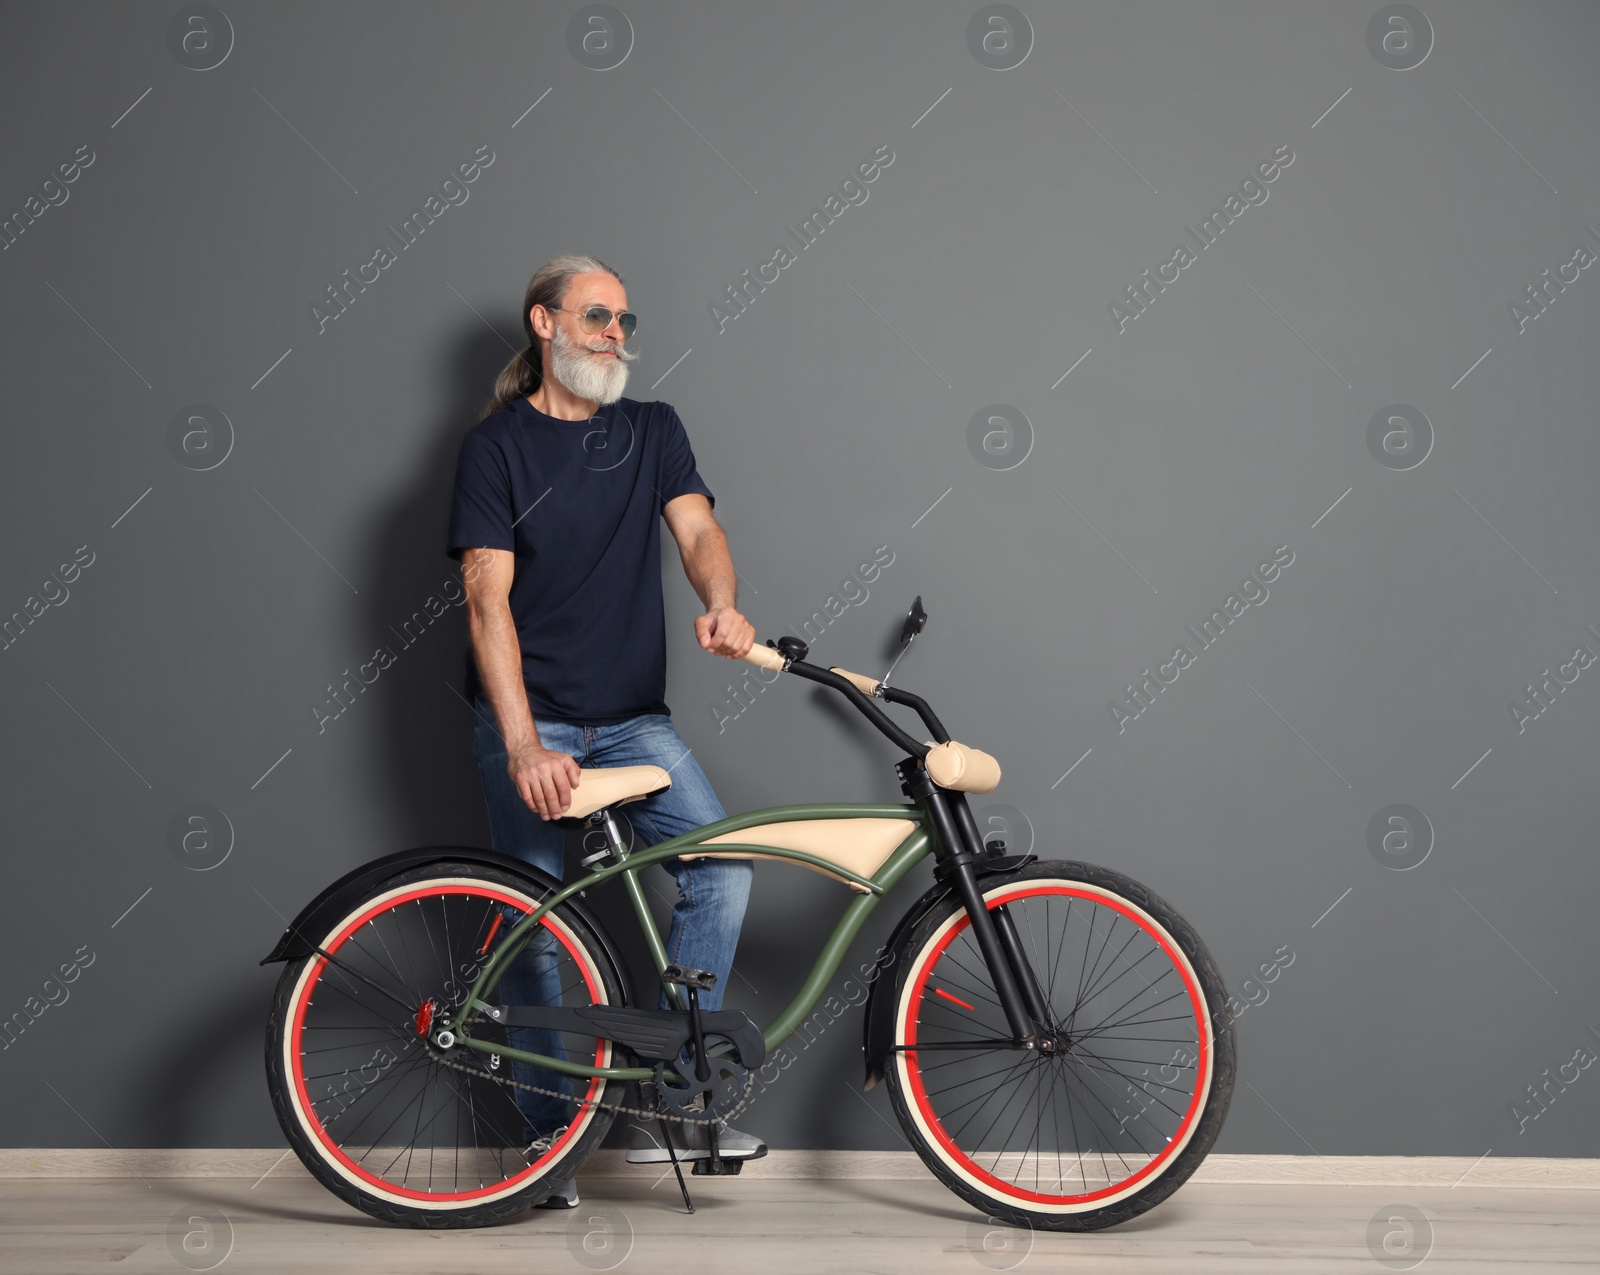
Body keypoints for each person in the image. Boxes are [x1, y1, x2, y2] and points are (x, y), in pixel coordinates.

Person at [446, 254, 764, 1209]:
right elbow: (483, 598)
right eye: (595, 316)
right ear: (544, 324)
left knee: (723, 867)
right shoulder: (494, 448)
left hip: (634, 722)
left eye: (625, 320)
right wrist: (521, 745)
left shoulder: (651, 430)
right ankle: (552, 1143)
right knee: (538, 924)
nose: (614, 334)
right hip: (532, 718)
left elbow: (700, 531)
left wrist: (723, 604)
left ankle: (677, 1077)